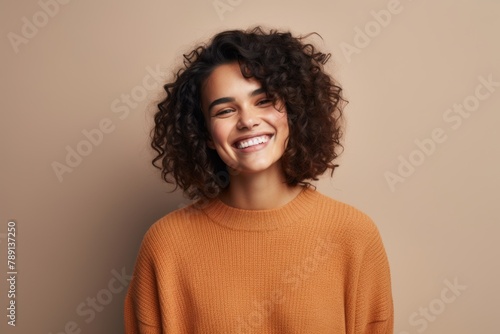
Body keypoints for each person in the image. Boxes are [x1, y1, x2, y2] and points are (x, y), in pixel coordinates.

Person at [124, 26, 393, 333]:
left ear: (292, 111)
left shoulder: (353, 236)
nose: (248, 120)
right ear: (206, 135)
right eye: (225, 110)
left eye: (263, 100)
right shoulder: (166, 246)